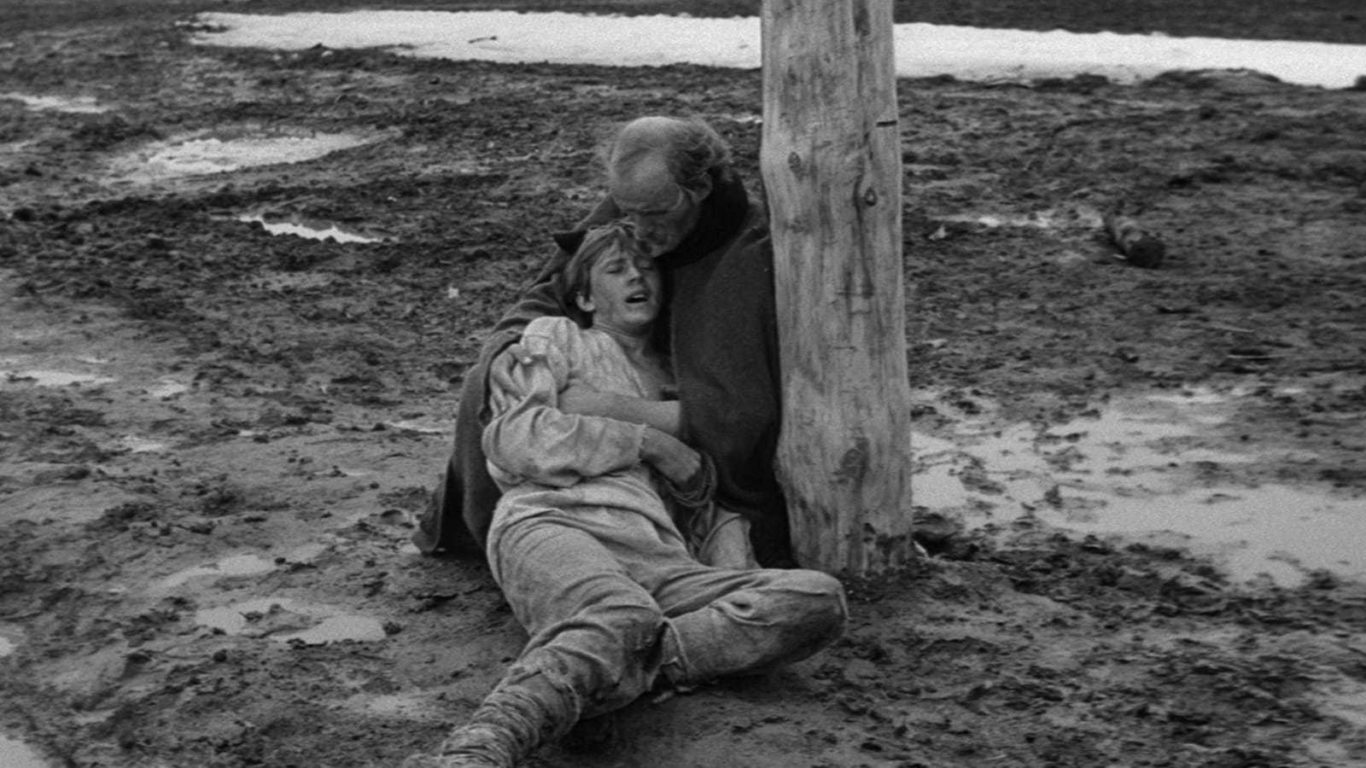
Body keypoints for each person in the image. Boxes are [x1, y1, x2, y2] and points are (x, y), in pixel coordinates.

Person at [401, 223, 847, 768]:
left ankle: (635, 662)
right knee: (619, 614)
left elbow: (698, 497)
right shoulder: (556, 338)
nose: (637, 275)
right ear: (586, 297)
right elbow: (516, 438)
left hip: (658, 555)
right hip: (556, 522)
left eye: (646, 265)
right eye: (616, 268)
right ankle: (484, 745)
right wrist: (647, 441)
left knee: (815, 600)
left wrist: (699, 497)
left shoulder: (679, 376)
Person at [414, 115, 791, 568]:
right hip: (612, 368)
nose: (640, 232)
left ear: (701, 188)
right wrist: (508, 346)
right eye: (626, 211)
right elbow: (548, 291)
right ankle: (499, 544)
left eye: (655, 215)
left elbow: (741, 419)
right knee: (488, 377)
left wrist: (604, 408)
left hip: (682, 413)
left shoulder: (749, 253)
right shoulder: (635, 207)